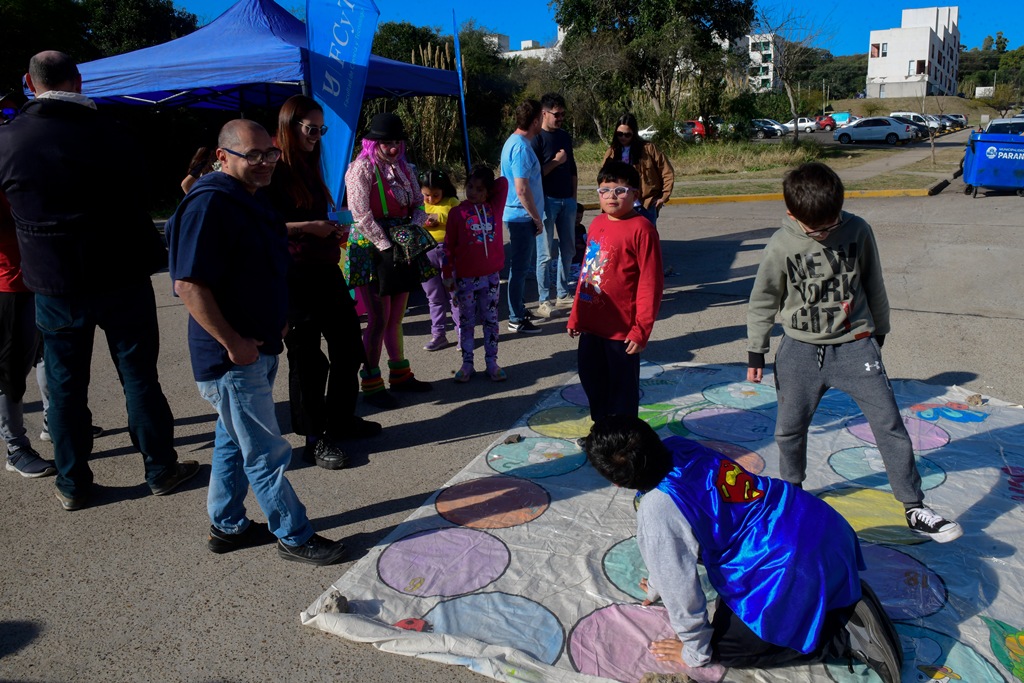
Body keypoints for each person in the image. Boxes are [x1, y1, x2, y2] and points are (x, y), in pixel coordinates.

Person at [0, 51, 197, 511]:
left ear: (29, 83)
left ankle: (72, 483)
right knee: (139, 377)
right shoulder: (115, 133)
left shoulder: (8, 141)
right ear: (78, 80)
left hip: (54, 281)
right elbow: (142, 194)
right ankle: (159, 469)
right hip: (122, 274)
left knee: (65, 386)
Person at [584, 415, 904, 683]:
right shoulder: (679, 447)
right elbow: (683, 533)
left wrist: (694, 651)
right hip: (818, 523)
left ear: (615, 482)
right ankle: (837, 597)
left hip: (789, 561)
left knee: (725, 648)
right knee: (741, 603)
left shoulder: (657, 509)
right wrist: (658, 578)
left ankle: (843, 634)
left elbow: (680, 589)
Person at [746, 162, 962, 543]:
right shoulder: (781, 245)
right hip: (799, 351)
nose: (827, 233)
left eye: (833, 223)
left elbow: (873, 281)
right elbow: (763, 299)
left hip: (855, 345)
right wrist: (756, 351)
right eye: (818, 230)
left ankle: (914, 507)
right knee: (789, 430)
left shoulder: (857, 230)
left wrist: (880, 332)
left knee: (889, 423)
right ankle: (793, 496)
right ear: (792, 215)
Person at [166, 118, 347, 565]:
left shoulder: (250, 196)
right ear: (222, 156)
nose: (265, 162)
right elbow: (188, 285)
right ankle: (294, 535)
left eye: (270, 153)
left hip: (257, 346)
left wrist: (277, 319)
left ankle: (227, 525)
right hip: (232, 358)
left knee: (233, 442)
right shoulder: (209, 203)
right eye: (253, 155)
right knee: (266, 453)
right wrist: (233, 343)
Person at [266, 94, 378, 471]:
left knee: (349, 346)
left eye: (321, 130)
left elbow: (313, 217)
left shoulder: (309, 164)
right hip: (293, 276)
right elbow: (264, 226)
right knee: (308, 361)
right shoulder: (273, 167)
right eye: (311, 129)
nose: (317, 137)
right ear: (289, 127)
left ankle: (341, 419)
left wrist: (331, 230)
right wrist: (308, 227)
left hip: (324, 270)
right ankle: (314, 438)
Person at [344, 112, 433, 409]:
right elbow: (360, 216)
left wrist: (412, 231)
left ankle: (401, 375)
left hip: (401, 244)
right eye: (387, 143)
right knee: (378, 319)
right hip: (372, 247)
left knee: (396, 316)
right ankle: (371, 384)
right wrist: (385, 245)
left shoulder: (405, 168)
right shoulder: (361, 169)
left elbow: (419, 205)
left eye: (397, 142)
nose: (394, 148)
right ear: (373, 143)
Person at [567, 161, 663, 422]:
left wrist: (641, 329)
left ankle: (622, 438)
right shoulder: (597, 223)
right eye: (605, 190)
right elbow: (587, 273)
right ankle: (602, 433)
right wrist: (576, 315)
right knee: (592, 382)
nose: (611, 196)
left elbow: (651, 284)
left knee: (622, 393)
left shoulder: (642, 229)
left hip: (621, 331)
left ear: (635, 194)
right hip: (591, 326)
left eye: (620, 190)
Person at [0, 190, 53, 478]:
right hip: (8, 287)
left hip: (38, 281)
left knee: (46, 356)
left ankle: (52, 422)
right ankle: (15, 448)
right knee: (9, 371)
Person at [441, 166, 509, 383]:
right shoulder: (457, 213)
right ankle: (467, 363)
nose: (473, 192)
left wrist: (486, 183)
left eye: (480, 189)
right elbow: (448, 246)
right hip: (466, 278)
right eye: (470, 187)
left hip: (491, 277)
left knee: (491, 320)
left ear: (488, 192)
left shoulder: (494, 208)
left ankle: (492, 362)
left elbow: (503, 183)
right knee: (466, 321)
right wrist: (447, 273)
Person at [501, 99, 545, 334]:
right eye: (542, 117)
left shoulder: (516, 142)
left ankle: (517, 308)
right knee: (519, 269)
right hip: (521, 217)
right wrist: (536, 218)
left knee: (520, 267)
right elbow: (521, 188)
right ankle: (515, 318)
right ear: (535, 121)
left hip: (519, 215)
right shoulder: (520, 147)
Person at [531, 93, 578, 319]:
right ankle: (543, 300)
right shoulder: (536, 139)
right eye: (556, 114)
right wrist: (556, 162)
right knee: (545, 253)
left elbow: (573, 168)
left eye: (562, 115)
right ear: (544, 113)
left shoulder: (564, 136)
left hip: (567, 200)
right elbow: (534, 174)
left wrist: (573, 198)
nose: (560, 118)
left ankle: (562, 293)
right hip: (546, 201)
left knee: (568, 249)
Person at [603, 113, 675, 227]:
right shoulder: (612, 152)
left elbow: (667, 172)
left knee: (647, 236)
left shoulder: (649, 149)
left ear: (634, 133)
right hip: (620, 204)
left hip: (645, 205)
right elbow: (604, 179)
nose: (623, 137)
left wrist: (663, 197)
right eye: (620, 134)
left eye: (627, 134)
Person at [417, 169, 459, 351]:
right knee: (434, 298)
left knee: (455, 295)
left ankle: (462, 333)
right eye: (426, 195)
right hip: (425, 254)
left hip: (449, 254)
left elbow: (459, 217)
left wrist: (437, 218)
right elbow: (412, 220)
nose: (431, 199)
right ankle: (438, 335)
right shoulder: (418, 204)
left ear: (444, 191)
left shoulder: (451, 202)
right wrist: (423, 220)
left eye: (435, 195)